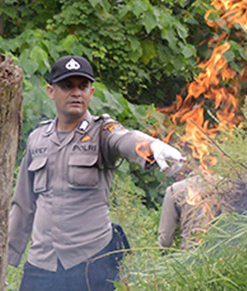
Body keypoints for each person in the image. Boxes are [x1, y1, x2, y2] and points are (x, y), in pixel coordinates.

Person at [7, 55, 185, 291]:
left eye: (83, 86)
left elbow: (124, 139)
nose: (76, 93)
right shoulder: (37, 139)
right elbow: (23, 204)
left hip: (91, 261)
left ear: (91, 92)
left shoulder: (102, 131)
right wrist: (7, 258)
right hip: (42, 263)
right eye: (67, 86)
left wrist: (151, 146)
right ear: (51, 91)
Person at [158, 164, 216, 251]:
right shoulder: (225, 184)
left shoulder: (174, 190)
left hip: (191, 253)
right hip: (224, 254)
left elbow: (165, 239)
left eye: (175, 175)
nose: (176, 179)